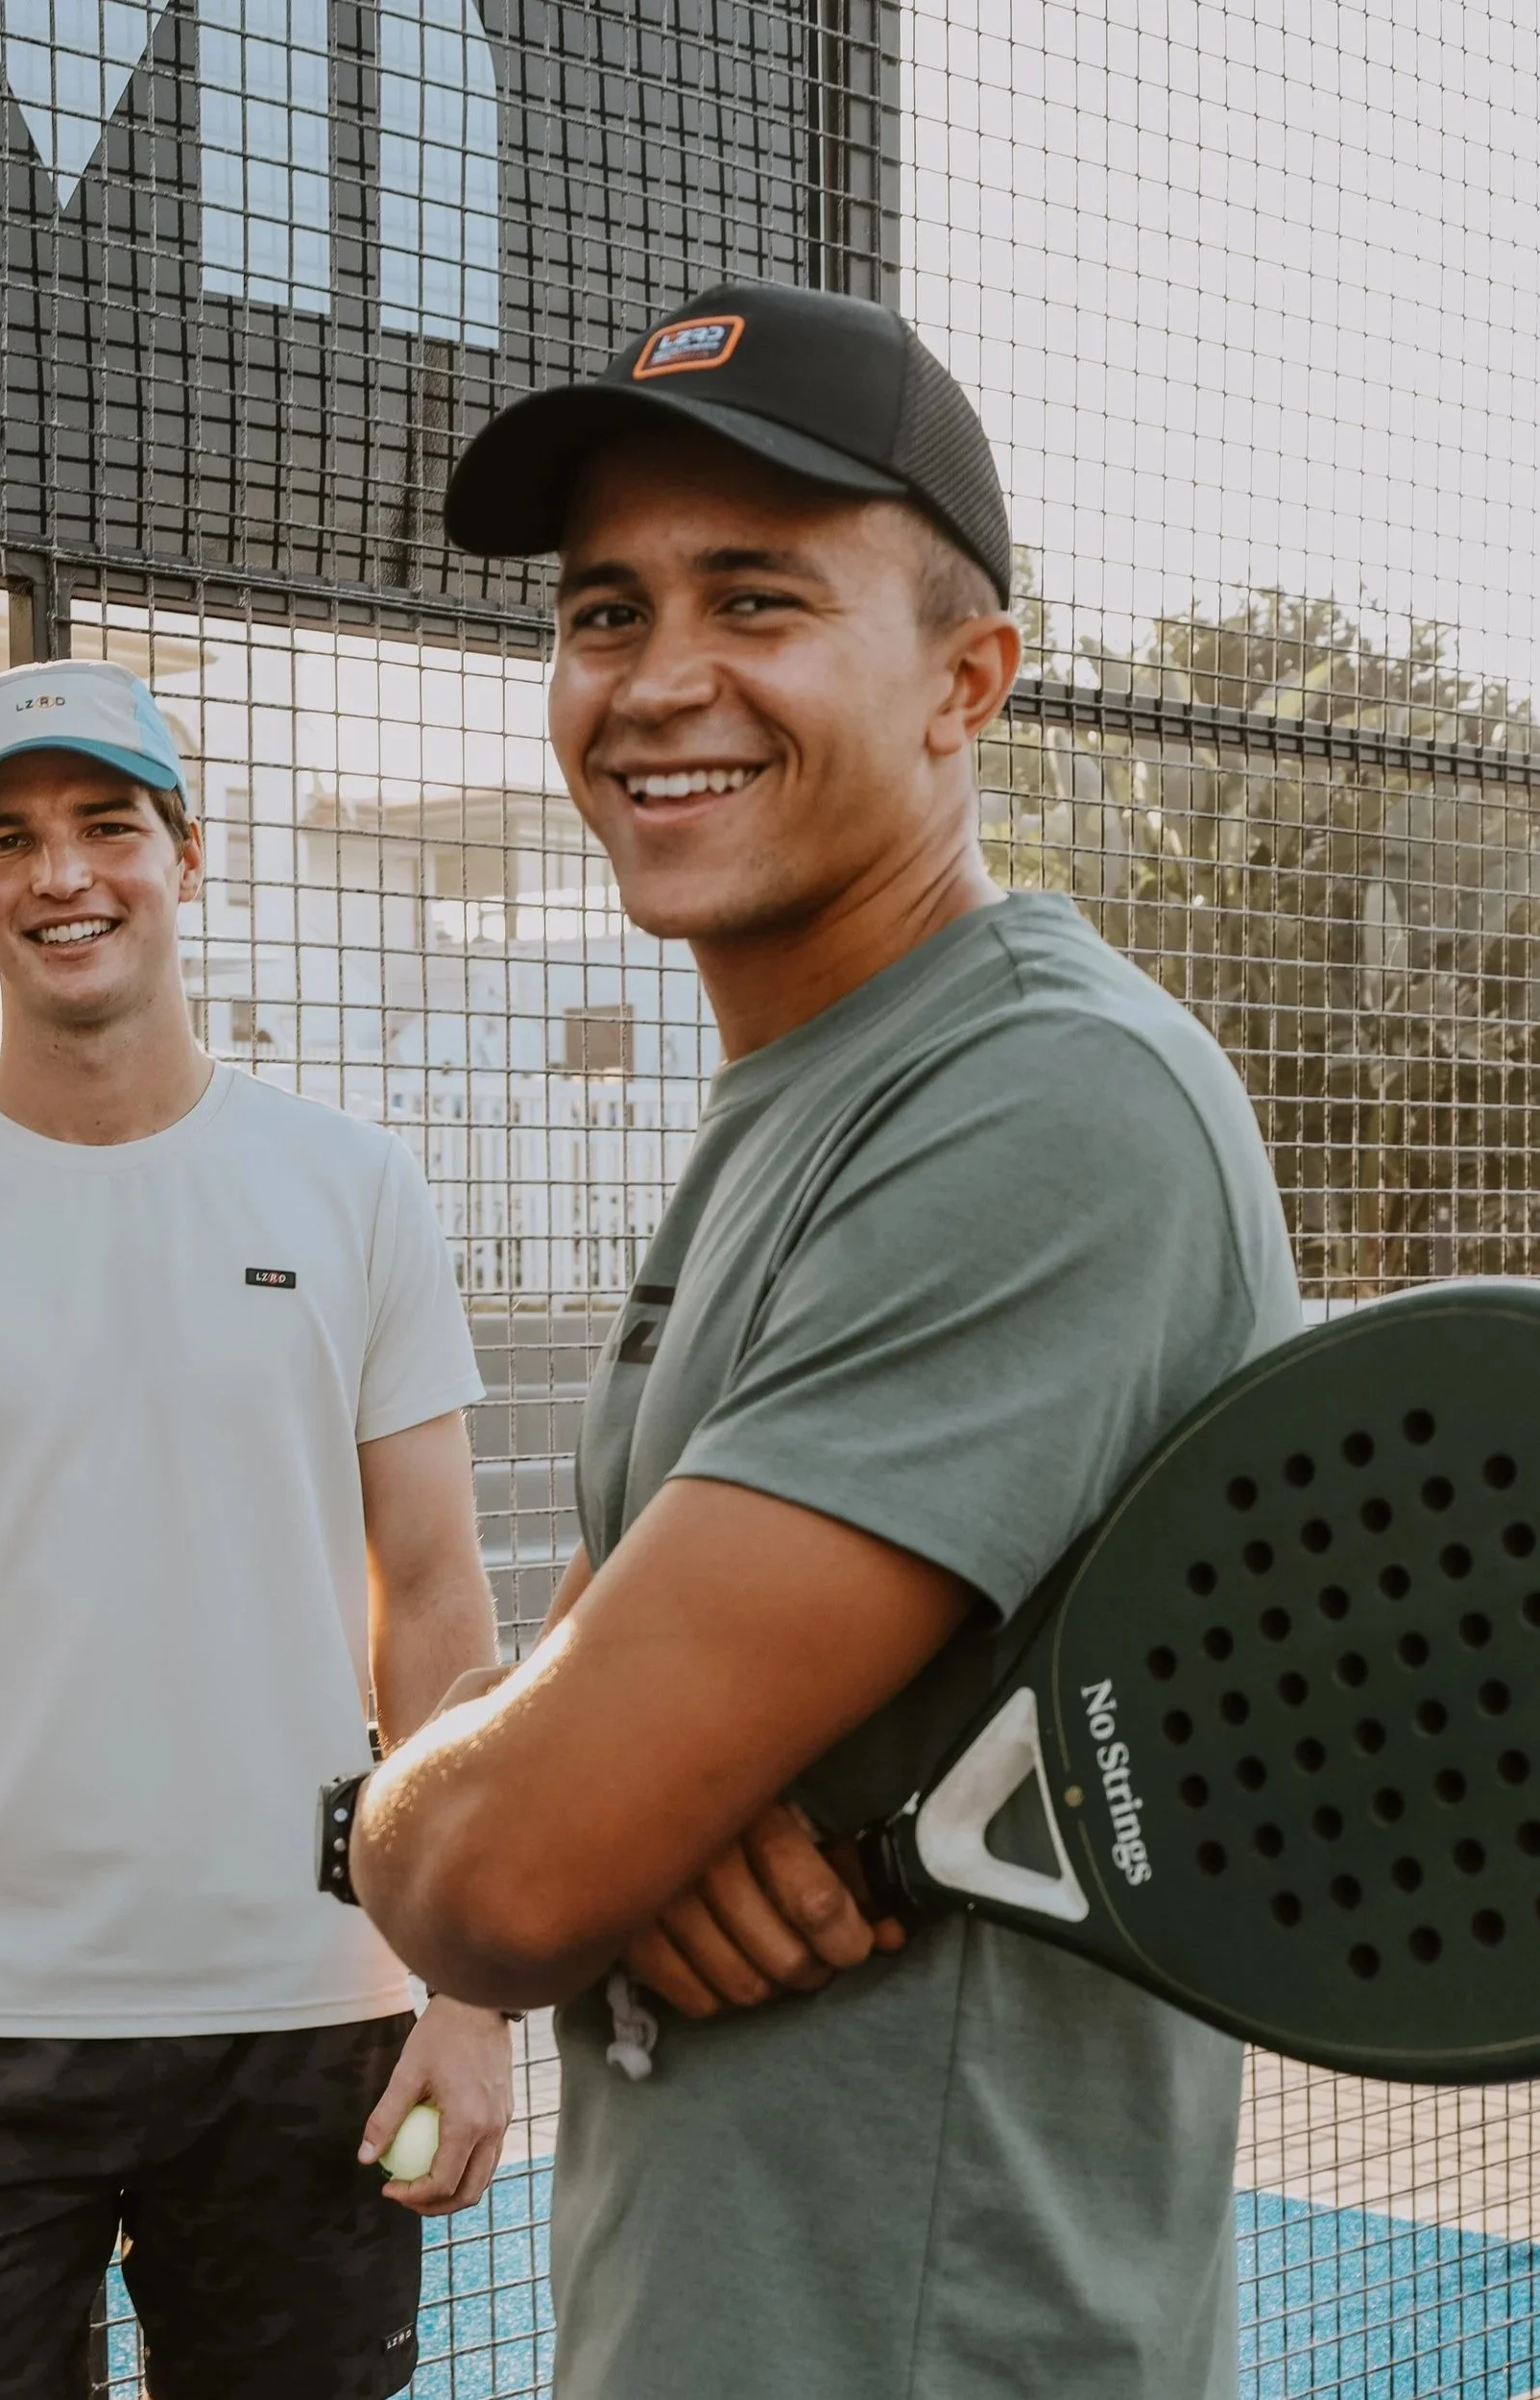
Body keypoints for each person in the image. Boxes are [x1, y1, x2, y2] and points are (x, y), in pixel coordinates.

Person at [332, 282, 1301, 2397]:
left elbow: (500, 1867)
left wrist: (442, 1830)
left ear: (968, 681)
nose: (656, 679)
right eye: (603, 611)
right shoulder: (810, 1095)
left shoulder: (1046, 1105)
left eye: (754, 597)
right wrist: (589, 1814)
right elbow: (573, 1739)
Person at [0, 658, 513, 2400]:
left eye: (105, 826)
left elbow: (438, 1595)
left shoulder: (353, 1189)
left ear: (187, 855)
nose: (61, 873)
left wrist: (469, 1989)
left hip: (311, 2019)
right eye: (9, 838)